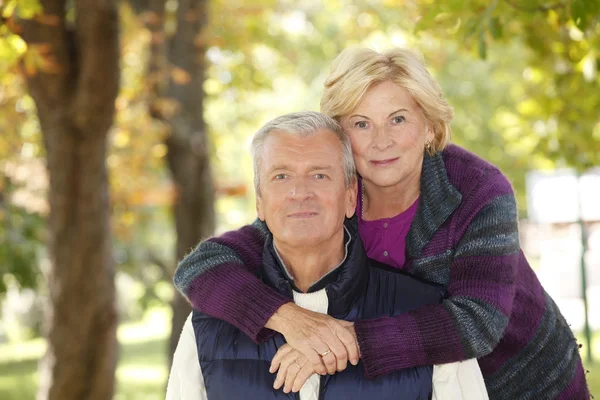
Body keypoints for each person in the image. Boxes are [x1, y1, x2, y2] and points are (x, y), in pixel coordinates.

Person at [173, 48, 590, 400]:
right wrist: (289, 319)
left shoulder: (476, 189)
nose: (381, 141)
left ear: (428, 125)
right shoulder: (332, 197)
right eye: (360, 124)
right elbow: (201, 268)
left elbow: (476, 322)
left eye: (398, 119)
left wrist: (340, 343)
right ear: (340, 136)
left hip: (527, 380)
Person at [166, 111, 488, 400]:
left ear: (350, 197)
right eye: (281, 176)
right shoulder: (207, 327)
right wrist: (289, 319)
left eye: (319, 175)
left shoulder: (430, 316)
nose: (300, 192)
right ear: (260, 203)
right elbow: (198, 266)